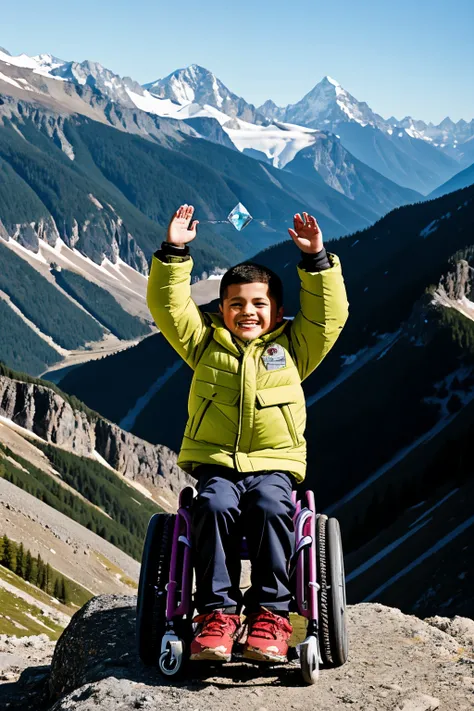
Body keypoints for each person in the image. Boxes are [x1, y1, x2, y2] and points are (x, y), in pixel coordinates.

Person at [147, 204, 349, 664]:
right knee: (213, 505)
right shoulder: (203, 343)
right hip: (216, 463)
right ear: (220, 309)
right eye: (235, 304)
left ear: (278, 311)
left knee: (269, 505)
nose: (247, 312)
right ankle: (217, 613)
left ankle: (271, 615)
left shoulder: (295, 347)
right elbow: (168, 306)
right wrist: (175, 252)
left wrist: (316, 260)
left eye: (259, 304)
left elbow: (328, 317)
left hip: (274, 467)